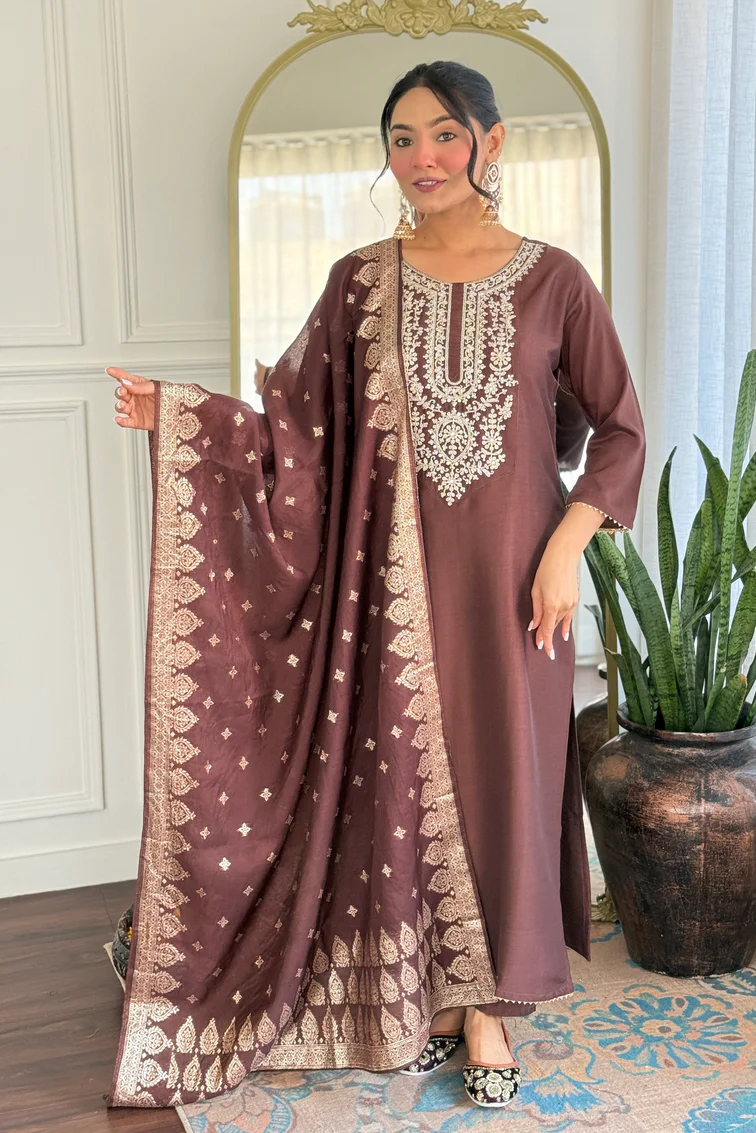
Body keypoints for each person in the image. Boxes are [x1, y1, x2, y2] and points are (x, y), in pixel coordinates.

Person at [105, 60, 645, 1111]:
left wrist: (567, 540)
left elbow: (615, 423)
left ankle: (489, 1006)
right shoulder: (358, 280)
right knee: (398, 777)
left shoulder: (553, 280)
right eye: (401, 139)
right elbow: (298, 437)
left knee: (505, 778)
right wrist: (186, 419)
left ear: (493, 144)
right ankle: (427, 991)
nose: (423, 158)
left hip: (519, 586)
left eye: (445, 134)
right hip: (387, 591)